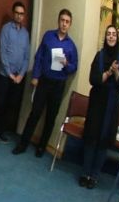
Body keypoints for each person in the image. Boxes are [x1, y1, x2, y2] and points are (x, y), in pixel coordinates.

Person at [13, 9, 78, 158]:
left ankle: (42, 147)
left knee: (51, 117)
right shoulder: (48, 36)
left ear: (70, 24)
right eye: (62, 20)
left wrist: (67, 64)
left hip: (59, 85)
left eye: (67, 22)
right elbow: (39, 57)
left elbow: (74, 67)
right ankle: (22, 144)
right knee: (35, 113)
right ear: (58, 21)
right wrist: (35, 76)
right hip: (44, 81)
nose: (64, 24)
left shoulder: (71, 46)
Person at [79, 25, 119, 188]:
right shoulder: (99, 56)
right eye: (108, 34)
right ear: (106, 37)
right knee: (91, 137)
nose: (111, 36)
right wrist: (108, 72)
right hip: (97, 103)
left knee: (103, 140)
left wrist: (116, 72)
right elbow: (93, 80)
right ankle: (85, 173)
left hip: (112, 105)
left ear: (117, 37)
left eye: (114, 34)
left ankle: (94, 176)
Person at [0, 1, 30, 143]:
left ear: (24, 16)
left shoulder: (25, 34)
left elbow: (26, 57)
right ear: (13, 14)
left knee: (11, 105)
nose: (19, 16)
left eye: (21, 14)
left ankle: (1, 131)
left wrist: (21, 75)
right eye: (17, 13)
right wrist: (9, 73)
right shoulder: (6, 29)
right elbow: (2, 52)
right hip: (4, 75)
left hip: (18, 77)